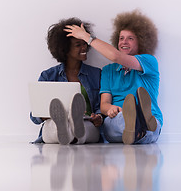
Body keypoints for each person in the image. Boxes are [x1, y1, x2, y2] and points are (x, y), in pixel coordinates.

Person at [64, 10, 163, 145]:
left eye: (130, 38)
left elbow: (116, 56)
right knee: (114, 123)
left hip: (149, 119)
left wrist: (87, 37)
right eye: (121, 38)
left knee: (148, 127)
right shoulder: (108, 71)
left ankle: (141, 123)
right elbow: (104, 104)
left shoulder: (149, 61)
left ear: (141, 42)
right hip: (118, 118)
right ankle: (138, 126)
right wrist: (110, 109)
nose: (124, 42)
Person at [30, 17, 103, 145]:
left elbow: (100, 108)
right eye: (78, 45)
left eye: (85, 43)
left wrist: (98, 117)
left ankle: (72, 128)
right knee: (53, 126)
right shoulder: (48, 76)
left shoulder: (96, 74)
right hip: (54, 122)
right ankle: (65, 126)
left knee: (83, 128)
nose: (84, 47)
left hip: (87, 122)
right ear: (65, 49)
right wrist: (48, 113)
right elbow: (34, 117)